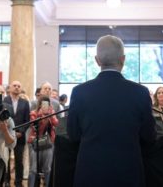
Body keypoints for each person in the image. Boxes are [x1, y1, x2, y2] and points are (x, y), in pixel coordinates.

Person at [67, 35, 156, 187]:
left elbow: (73, 135)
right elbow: (149, 136)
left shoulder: (79, 92)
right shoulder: (140, 92)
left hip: (90, 173)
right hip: (128, 172)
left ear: (97, 60)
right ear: (123, 59)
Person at [27, 96, 59, 187]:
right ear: (39, 104)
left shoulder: (51, 112)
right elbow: (35, 127)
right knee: (33, 169)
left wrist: (50, 115)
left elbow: (56, 123)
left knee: (48, 169)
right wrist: (41, 115)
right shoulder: (34, 113)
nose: (45, 105)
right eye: (43, 103)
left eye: (47, 103)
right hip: (35, 143)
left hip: (48, 143)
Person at [4, 80, 30, 187]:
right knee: (6, 160)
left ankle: (18, 182)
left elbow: (27, 120)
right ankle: (6, 181)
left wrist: (21, 132)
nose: (16, 87)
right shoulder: (4, 100)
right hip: (7, 135)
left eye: (18, 86)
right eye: (14, 86)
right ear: (10, 88)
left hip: (20, 136)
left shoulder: (25, 102)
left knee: (19, 161)